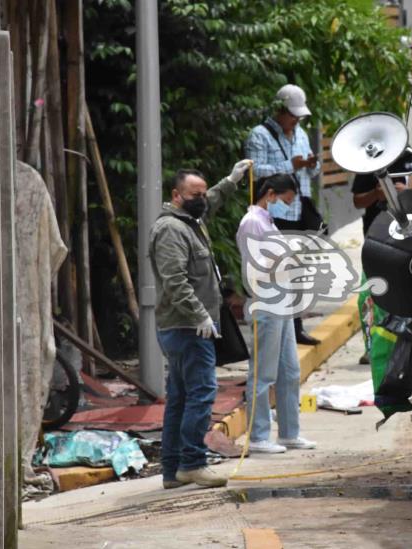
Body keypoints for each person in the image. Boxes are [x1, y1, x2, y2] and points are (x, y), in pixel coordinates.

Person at [149, 159, 252, 489]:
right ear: (176, 196)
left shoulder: (190, 221)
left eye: (204, 193)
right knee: (202, 393)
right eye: (195, 194)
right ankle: (192, 462)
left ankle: (173, 470)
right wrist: (200, 316)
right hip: (186, 328)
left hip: (189, 326)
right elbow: (175, 281)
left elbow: (212, 203)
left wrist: (231, 180)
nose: (202, 199)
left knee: (180, 398)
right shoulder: (171, 230)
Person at [236, 174, 317, 453]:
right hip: (266, 302)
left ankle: (289, 432)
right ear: (270, 194)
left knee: (290, 370)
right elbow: (257, 266)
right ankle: (258, 436)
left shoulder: (267, 222)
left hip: (281, 302)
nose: (287, 206)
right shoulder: (252, 223)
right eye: (285, 200)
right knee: (263, 372)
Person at [245, 84, 322, 345]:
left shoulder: (300, 133)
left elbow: (309, 171)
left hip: (300, 208)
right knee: (276, 273)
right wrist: (291, 164)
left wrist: (312, 165)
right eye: (292, 115)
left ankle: (295, 327)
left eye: (299, 116)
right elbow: (255, 173)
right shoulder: (260, 135)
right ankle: (274, 328)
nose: (296, 120)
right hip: (275, 213)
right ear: (279, 110)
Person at [352, 147, 412, 365]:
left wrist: (408, 190)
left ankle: (404, 347)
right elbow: (357, 201)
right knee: (369, 298)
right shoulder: (367, 163)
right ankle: (372, 347)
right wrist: (377, 194)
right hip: (377, 244)